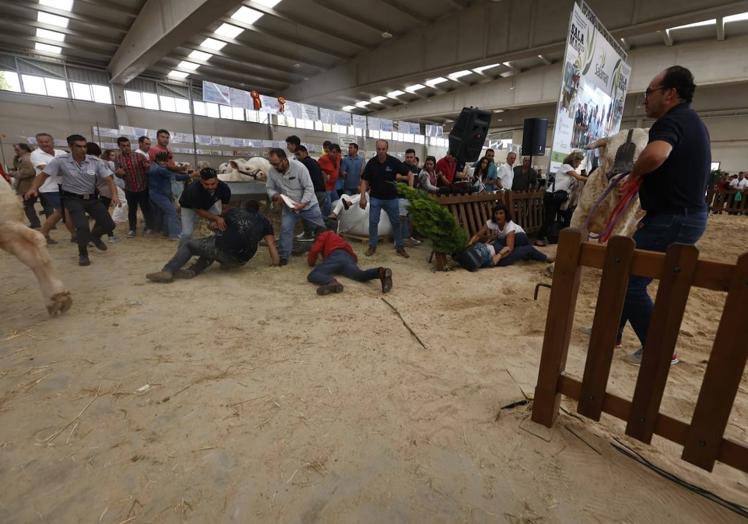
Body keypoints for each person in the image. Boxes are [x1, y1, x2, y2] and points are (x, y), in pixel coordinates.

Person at [616, 65, 711, 365]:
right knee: (627, 273)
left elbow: (656, 154)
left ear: (670, 94)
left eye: (649, 92)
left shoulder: (671, 121)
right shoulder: (690, 121)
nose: (645, 99)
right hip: (677, 216)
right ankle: (613, 332)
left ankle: (658, 349)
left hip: (674, 218)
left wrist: (634, 174)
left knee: (628, 281)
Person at [25, 134, 120, 266]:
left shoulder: (94, 161)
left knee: (109, 225)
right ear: (70, 147)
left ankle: (95, 236)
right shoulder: (61, 161)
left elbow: (109, 179)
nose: (83, 149)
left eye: (85, 146)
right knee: (82, 226)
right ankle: (83, 254)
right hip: (73, 199)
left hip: (92, 198)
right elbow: (43, 175)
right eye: (79, 146)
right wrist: (33, 188)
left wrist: (114, 195)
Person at [146, 200, 280, 283]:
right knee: (209, 247)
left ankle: (167, 271)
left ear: (244, 207)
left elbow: (214, 226)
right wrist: (275, 263)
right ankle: (192, 271)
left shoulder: (234, 212)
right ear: (258, 210)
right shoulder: (265, 222)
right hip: (240, 261)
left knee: (192, 244)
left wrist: (215, 227)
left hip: (223, 251)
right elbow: (271, 244)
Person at [265, 148, 326, 265]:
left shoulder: (299, 168)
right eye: (272, 164)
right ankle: (283, 256)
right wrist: (276, 196)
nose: (274, 167)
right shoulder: (272, 171)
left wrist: (302, 204)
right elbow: (269, 188)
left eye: (276, 164)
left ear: (284, 160)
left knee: (321, 230)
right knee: (285, 229)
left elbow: (309, 188)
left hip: (309, 206)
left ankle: (327, 253)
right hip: (290, 207)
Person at [360, 139, 411, 258]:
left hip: (391, 198)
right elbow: (364, 180)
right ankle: (372, 246)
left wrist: (411, 190)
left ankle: (400, 247)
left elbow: (409, 173)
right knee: (373, 222)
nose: (381, 151)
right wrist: (362, 196)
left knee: (396, 223)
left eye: (383, 149)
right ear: (376, 149)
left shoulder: (394, 162)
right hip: (375, 198)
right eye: (379, 149)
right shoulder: (371, 163)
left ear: (387, 149)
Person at [307, 229, 393, 295]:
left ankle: (331, 282)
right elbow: (353, 256)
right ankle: (380, 272)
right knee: (360, 275)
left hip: (335, 256)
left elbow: (315, 250)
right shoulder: (340, 239)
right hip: (348, 259)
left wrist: (311, 262)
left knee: (314, 274)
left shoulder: (325, 234)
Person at [468, 203, 553, 267]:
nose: (498, 216)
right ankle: (530, 254)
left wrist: (499, 255)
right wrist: (469, 244)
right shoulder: (491, 222)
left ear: (506, 215)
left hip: (520, 238)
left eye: (501, 213)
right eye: (496, 213)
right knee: (498, 242)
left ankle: (544, 257)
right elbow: (478, 235)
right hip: (504, 243)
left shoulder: (510, 226)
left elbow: (509, 247)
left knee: (526, 249)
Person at [535, 151, 586, 246]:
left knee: (568, 216)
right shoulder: (566, 167)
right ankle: (539, 238)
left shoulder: (571, 171)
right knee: (549, 218)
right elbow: (578, 178)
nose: (579, 164)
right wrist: (590, 179)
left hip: (559, 199)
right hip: (552, 196)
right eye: (579, 161)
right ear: (575, 160)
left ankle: (564, 237)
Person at [31, 132, 73, 243]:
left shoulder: (62, 152)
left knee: (59, 213)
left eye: (47, 141)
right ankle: (76, 236)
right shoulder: (35, 154)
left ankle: (43, 234)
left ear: (52, 142)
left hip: (66, 186)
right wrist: (65, 170)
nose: (45, 144)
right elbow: (48, 170)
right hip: (49, 188)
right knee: (65, 211)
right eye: (41, 142)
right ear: (38, 143)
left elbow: (71, 166)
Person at [178, 167, 231, 245]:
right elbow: (199, 211)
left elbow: (225, 206)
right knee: (187, 233)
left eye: (213, 184)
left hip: (209, 204)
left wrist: (221, 218)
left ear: (217, 180)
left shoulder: (224, 188)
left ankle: (209, 250)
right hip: (189, 207)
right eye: (206, 184)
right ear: (201, 181)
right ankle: (182, 251)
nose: (210, 187)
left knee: (216, 227)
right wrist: (217, 218)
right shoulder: (193, 190)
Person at [114, 136, 153, 236]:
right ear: (119, 146)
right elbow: (117, 172)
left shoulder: (139, 156)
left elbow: (148, 169)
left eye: (128, 145)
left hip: (142, 187)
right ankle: (132, 229)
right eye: (123, 146)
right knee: (132, 210)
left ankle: (149, 227)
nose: (126, 148)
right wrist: (118, 173)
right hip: (129, 188)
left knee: (145, 208)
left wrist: (147, 167)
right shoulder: (118, 159)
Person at [149, 151, 190, 240]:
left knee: (166, 213)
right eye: (164, 161)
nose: (165, 163)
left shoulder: (155, 167)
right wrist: (190, 175)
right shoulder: (159, 169)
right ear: (159, 160)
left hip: (160, 193)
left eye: (166, 161)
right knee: (172, 212)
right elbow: (175, 176)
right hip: (159, 194)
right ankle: (175, 234)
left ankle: (167, 231)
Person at [295, 145, 329, 222]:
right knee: (318, 214)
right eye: (296, 155)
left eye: (298, 154)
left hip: (315, 192)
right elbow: (323, 175)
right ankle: (323, 230)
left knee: (310, 214)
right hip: (322, 191)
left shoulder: (303, 163)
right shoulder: (314, 161)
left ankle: (314, 231)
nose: (297, 157)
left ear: (305, 152)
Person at [10, 143, 40, 229]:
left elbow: (28, 172)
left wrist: (13, 173)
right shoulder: (27, 157)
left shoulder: (27, 159)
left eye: (17, 150)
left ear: (24, 149)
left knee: (28, 206)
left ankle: (35, 223)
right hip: (29, 185)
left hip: (28, 186)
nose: (16, 152)